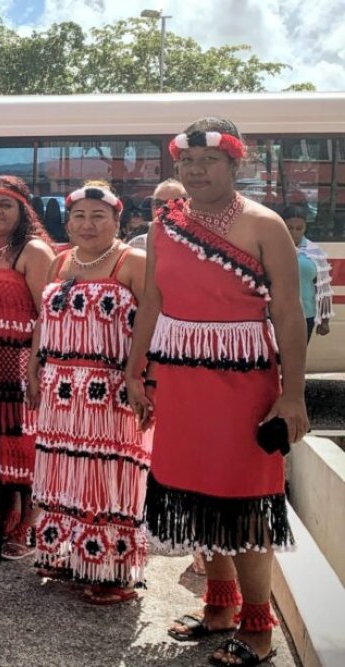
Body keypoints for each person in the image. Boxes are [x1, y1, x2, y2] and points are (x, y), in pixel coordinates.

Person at [126, 118, 308, 666]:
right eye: (187, 163)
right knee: (195, 492)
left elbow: (288, 313)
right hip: (180, 381)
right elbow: (153, 303)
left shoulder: (264, 224)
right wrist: (136, 370)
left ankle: (258, 627)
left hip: (244, 384)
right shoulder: (164, 226)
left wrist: (293, 394)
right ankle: (219, 607)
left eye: (208, 162)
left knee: (246, 500)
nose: (196, 171)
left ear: (235, 165)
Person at [28, 180, 150, 602]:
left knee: (106, 475)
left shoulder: (132, 261)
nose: (87, 224)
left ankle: (111, 570)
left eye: (99, 216)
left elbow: (152, 327)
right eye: (79, 216)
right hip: (60, 388)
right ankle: (68, 553)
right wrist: (33, 369)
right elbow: (42, 321)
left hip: (110, 392)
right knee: (63, 472)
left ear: (118, 220)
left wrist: (141, 380)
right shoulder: (60, 261)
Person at [0, 173, 55, 558]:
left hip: (22, 361)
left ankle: (29, 524)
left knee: (25, 442)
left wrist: (37, 366)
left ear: (22, 211)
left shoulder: (34, 251)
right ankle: (6, 513)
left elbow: (48, 314)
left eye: (5, 204)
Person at [282, 204, 334, 343]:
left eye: (299, 228)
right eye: (289, 228)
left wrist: (325, 320)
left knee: (297, 359)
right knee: (274, 360)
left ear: (305, 228)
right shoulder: (270, 249)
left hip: (306, 315)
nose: (294, 232)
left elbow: (323, 289)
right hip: (275, 315)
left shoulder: (315, 252)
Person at [129, 179, 187, 251]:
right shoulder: (137, 245)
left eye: (171, 203)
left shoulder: (197, 247)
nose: (163, 208)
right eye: (158, 203)